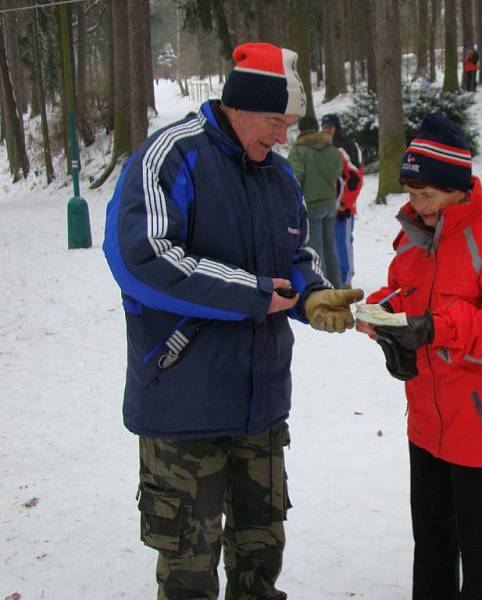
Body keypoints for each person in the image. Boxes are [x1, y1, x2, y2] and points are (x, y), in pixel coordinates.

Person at [102, 41, 363, 600]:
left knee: (260, 559)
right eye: (276, 121)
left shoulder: (279, 176)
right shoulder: (170, 155)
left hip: (260, 405)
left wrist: (313, 295)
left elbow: (295, 255)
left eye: (290, 124)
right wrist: (252, 293)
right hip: (184, 400)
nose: (283, 137)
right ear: (239, 105)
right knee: (190, 572)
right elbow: (140, 257)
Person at [356, 112, 482, 600]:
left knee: (478, 538)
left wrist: (436, 327)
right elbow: (403, 297)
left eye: (427, 196)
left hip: (481, 423)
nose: (417, 206)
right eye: (411, 195)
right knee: (432, 538)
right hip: (427, 418)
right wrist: (374, 314)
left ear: (458, 189)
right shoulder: (414, 238)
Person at [288, 114, 344, 288]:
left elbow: (295, 178)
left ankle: (322, 286)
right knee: (331, 247)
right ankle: (337, 285)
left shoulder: (299, 150)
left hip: (311, 203)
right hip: (329, 202)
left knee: (316, 249)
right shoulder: (331, 149)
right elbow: (338, 171)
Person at [321, 113, 364, 287]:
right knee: (327, 244)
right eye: (324, 127)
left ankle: (345, 280)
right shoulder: (322, 147)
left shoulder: (347, 147)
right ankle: (330, 278)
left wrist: (345, 204)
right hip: (326, 206)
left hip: (343, 208)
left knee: (342, 243)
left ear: (336, 128)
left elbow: (355, 179)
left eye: (329, 127)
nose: (326, 130)